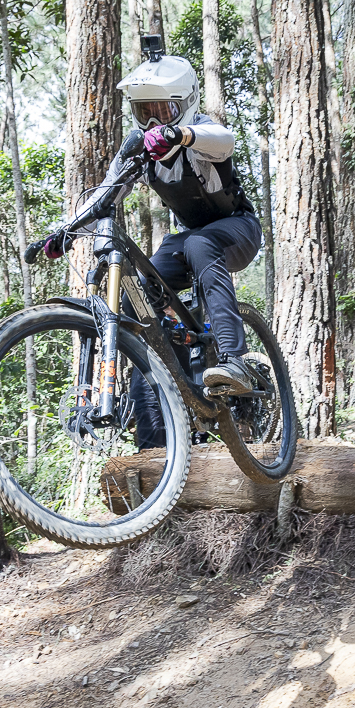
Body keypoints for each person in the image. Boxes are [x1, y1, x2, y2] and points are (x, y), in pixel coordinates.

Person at [99, 36, 261, 448]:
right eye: (144, 113)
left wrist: (180, 135)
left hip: (238, 230)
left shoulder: (202, 131)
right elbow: (106, 192)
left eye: (162, 111)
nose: (154, 123)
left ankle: (233, 360)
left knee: (197, 245)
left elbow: (224, 140)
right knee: (144, 290)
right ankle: (153, 441)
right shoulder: (139, 148)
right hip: (191, 239)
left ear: (184, 103)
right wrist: (63, 232)